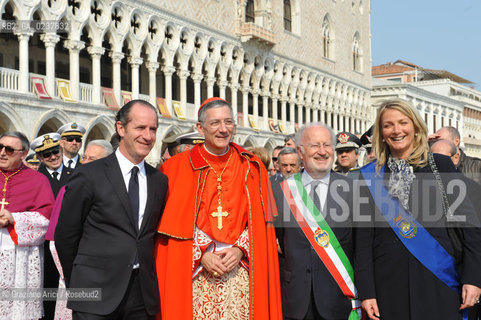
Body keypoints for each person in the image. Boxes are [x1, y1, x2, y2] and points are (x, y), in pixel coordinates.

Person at [155, 97, 282, 320]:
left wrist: (240, 249)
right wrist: (203, 252)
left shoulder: (252, 166)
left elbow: (262, 224)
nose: (223, 129)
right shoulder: (174, 168)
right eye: (215, 123)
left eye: (228, 122)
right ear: (200, 128)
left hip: (240, 271)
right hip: (195, 272)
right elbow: (170, 223)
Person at [356, 98, 481, 320]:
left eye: (403, 122)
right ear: (381, 133)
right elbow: (363, 240)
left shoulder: (440, 165)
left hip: (438, 280)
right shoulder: (368, 176)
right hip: (388, 287)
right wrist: (367, 292)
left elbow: (469, 224)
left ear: (415, 127)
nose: (396, 130)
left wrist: (473, 278)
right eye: (388, 125)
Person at [55, 100, 168, 319]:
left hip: (141, 297)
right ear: (121, 128)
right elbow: (66, 235)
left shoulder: (159, 181)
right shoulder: (90, 174)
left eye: (153, 129)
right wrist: (80, 282)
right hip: (94, 294)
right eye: (140, 128)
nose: (148, 136)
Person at [273, 123, 360, 320]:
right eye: (314, 146)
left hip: (339, 299)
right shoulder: (280, 191)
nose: (322, 152)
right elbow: (280, 242)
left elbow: (361, 248)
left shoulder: (353, 189)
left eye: (327, 145)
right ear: (300, 152)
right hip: (295, 299)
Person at [46, 139, 114, 320]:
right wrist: (71, 276)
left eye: (92, 159)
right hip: (78, 273)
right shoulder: (69, 188)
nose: (84, 162)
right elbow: (57, 240)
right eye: (84, 157)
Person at [0, 131, 54, 320]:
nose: (2, 153)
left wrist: (14, 218)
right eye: (0, 147)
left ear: (23, 154)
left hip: (19, 255)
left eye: (9, 149)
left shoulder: (37, 180)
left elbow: (46, 218)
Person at [31, 132, 74, 319]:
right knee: (47, 285)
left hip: (69, 241)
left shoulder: (76, 173)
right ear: (39, 157)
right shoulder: (34, 178)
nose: (53, 157)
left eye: (55, 151)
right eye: (46, 154)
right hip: (44, 244)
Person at [33, 133, 74, 197]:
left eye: (55, 152)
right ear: (40, 158)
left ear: (61, 150)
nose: (53, 157)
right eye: (47, 155)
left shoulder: (75, 174)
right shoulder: (35, 179)